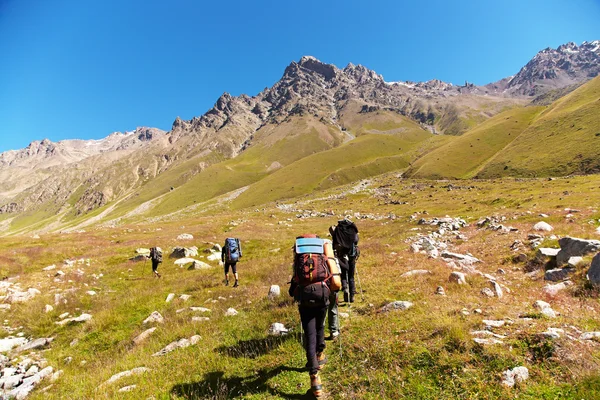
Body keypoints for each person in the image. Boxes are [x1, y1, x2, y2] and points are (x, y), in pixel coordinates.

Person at [289, 235, 331, 398]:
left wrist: (294, 291)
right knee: (320, 327)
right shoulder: (321, 254)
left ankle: (314, 379)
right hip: (322, 294)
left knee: (310, 334)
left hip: (305, 299)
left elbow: (294, 286)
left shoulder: (300, 257)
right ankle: (319, 354)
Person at [332, 217, 359, 303]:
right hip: (351, 255)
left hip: (341, 255)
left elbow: (334, 242)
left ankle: (345, 288)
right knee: (351, 276)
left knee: (343, 274)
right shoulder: (352, 228)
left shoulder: (338, 229)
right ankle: (352, 295)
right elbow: (356, 241)